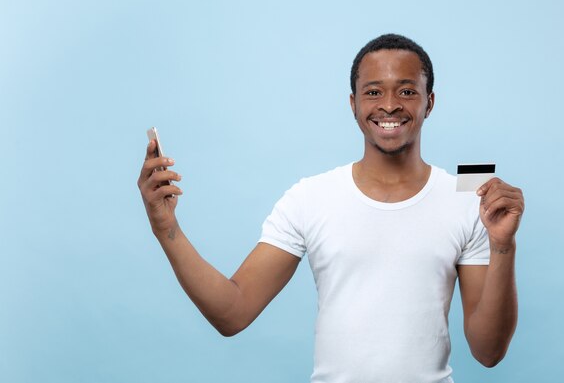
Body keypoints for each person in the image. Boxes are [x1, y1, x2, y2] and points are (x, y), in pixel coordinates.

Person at [137, 34, 524, 383]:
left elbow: (488, 352)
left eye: (407, 91)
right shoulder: (311, 197)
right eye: (373, 92)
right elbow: (232, 313)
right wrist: (166, 229)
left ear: (429, 102)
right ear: (353, 104)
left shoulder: (465, 201)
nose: (389, 105)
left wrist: (503, 246)